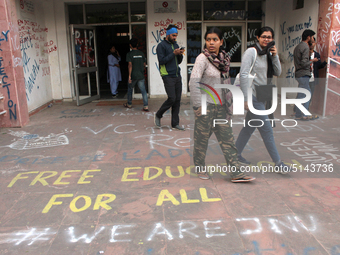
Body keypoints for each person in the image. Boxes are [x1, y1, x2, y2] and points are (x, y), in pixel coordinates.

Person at [189, 27, 255, 182]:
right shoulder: (202, 59)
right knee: (201, 140)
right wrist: (197, 106)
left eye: (215, 39)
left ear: (221, 42)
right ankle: (200, 168)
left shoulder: (224, 59)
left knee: (228, 140)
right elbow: (194, 82)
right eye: (208, 39)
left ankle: (236, 173)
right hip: (206, 106)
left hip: (222, 106)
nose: (211, 43)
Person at [235, 26, 291, 174]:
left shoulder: (269, 53)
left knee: (249, 127)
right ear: (258, 38)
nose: (267, 39)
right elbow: (244, 74)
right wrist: (246, 99)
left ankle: (235, 154)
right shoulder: (251, 52)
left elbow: (278, 72)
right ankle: (278, 163)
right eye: (264, 36)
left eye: (269, 37)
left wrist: (275, 56)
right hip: (253, 96)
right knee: (266, 130)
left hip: (263, 95)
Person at [154, 24, 185, 131]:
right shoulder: (161, 46)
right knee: (172, 98)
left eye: (176, 35)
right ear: (168, 35)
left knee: (177, 100)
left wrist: (180, 54)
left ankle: (175, 124)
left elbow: (179, 62)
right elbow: (162, 61)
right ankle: (159, 114)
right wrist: (173, 53)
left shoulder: (175, 44)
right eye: (173, 35)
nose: (175, 37)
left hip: (177, 75)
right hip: (167, 75)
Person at [293, 29, 319, 120]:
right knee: (307, 94)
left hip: (299, 73)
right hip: (303, 73)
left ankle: (298, 113)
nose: (312, 39)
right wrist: (312, 61)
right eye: (312, 37)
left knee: (301, 94)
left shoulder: (298, 46)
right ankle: (305, 114)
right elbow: (304, 63)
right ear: (308, 37)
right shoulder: (305, 47)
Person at [124, 38, 149, 112]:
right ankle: (146, 106)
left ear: (130, 45)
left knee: (130, 89)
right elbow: (144, 64)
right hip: (140, 75)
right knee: (143, 91)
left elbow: (130, 65)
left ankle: (129, 103)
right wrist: (141, 70)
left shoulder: (129, 54)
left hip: (133, 75)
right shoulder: (141, 53)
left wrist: (129, 76)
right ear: (137, 44)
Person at [309, 39, 327, 104]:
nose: (311, 44)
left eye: (313, 42)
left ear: (315, 43)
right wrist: (312, 61)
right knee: (302, 94)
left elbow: (319, 66)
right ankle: (298, 110)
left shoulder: (317, 54)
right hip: (305, 77)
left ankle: (306, 109)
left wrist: (325, 62)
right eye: (310, 42)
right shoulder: (305, 53)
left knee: (310, 95)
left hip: (313, 78)